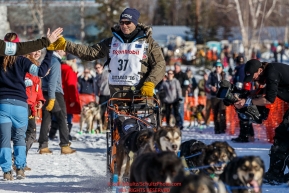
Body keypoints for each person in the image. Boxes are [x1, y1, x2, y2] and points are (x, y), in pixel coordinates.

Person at [47, 8, 166, 99]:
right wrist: (66, 45)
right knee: (120, 130)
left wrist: (150, 83)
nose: (124, 26)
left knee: (142, 131)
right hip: (117, 96)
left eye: (128, 22)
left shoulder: (148, 42)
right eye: (122, 22)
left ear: (135, 23)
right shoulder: (111, 42)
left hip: (140, 94)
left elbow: (160, 64)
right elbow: (90, 52)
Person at [0, 30, 59, 180]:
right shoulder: (23, 61)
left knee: (4, 139)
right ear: (18, 45)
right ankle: (20, 169)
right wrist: (50, 50)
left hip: (3, 105)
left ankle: (7, 172)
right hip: (21, 105)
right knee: (20, 138)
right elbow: (41, 72)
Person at [234, 59, 289, 185]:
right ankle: (275, 173)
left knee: (283, 136)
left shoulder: (271, 71)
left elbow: (269, 99)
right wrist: (246, 97)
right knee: (283, 136)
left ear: (260, 70)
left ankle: (275, 174)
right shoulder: (270, 73)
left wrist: (247, 102)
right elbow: (263, 95)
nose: (253, 79)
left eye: (253, 76)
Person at [38, 50, 76, 155]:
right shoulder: (55, 62)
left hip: (45, 92)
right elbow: (52, 82)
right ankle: (64, 145)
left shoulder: (47, 60)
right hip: (54, 93)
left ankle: (43, 146)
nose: (66, 50)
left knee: (46, 119)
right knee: (62, 118)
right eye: (64, 48)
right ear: (58, 49)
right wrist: (52, 98)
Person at [23, 49, 48, 171]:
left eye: (39, 51)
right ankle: (18, 160)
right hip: (24, 103)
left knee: (29, 134)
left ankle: (20, 160)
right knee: (29, 134)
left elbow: (37, 88)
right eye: (34, 51)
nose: (38, 53)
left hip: (31, 105)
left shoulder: (37, 67)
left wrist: (40, 100)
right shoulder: (25, 65)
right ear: (28, 53)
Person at [231, 55, 254, 143]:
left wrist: (236, 94)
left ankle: (244, 136)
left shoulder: (240, 69)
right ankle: (250, 135)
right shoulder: (244, 68)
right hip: (247, 94)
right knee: (246, 115)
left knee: (243, 115)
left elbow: (240, 84)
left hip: (243, 94)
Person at [206, 61, 227, 134]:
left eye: (219, 67)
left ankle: (223, 128)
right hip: (214, 96)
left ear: (222, 68)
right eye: (216, 67)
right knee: (215, 113)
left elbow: (228, 85)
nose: (218, 68)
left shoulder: (224, 75)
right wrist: (211, 87)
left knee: (222, 112)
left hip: (222, 97)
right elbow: (207, 84)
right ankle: (217, 128)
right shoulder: (211, 75)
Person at [94, 62, 110, 130]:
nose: (97, 69)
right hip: (102, 96)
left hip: (110, 95)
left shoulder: (108, 73)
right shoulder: (95, 78)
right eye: (96, 68)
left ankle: (109, 126)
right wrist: (96, 99)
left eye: (99, 67)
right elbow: (95, 90)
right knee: (100, 112)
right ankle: (100, 126)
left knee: (110, 112)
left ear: (102, 67)